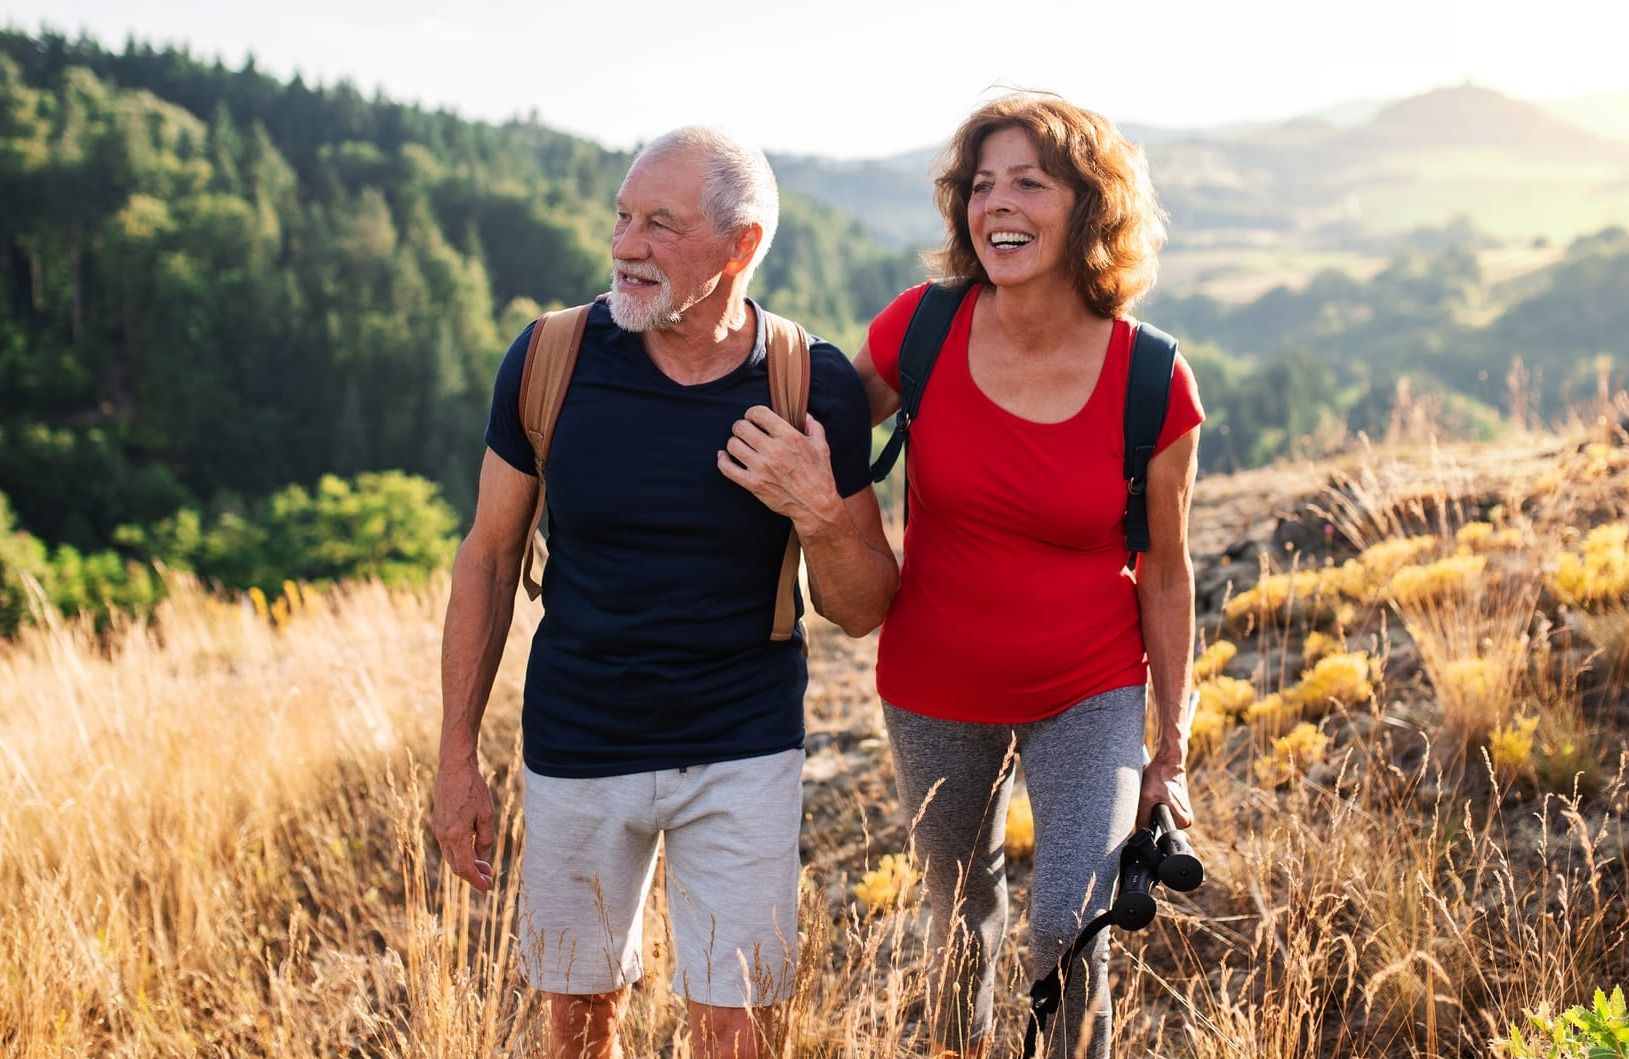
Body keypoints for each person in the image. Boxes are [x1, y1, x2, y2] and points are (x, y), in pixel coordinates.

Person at [431, 126, 897, 1059]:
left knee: (736, 1032)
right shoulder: (549, 359)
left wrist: (819, 509)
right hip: (577, 742)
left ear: (742, 246)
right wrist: (455, 759)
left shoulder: (811, 383)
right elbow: (486, 557)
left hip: (741, 747)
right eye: (622, 215)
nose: (625, 244)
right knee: (578, 1028)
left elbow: (862, 605)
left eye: (659, 224)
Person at [855, 94, 1203, 1059]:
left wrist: (1166, 748)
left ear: (1088, 208)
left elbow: (1166, 576)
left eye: (1027, 183)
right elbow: (817, 425)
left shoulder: (1153, 379)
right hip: (932, 682)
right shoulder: (919, 330)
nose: (994, 204)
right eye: (980, 184)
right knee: (959, 927)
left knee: (1069, 921)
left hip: (1086, 686)